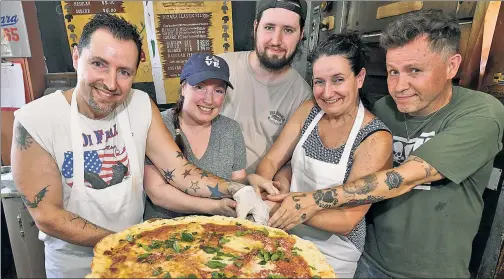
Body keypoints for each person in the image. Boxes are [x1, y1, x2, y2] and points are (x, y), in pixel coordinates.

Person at [11, 13, 269, 278]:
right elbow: (48, 215)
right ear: (77, 57)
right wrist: (126, 243)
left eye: (124, 72)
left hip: (138, 257)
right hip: (75, 263)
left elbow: (179, 171)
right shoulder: (35, 121)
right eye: (99, 64)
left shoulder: (141, 106)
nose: (111, 83)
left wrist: (238, 190)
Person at [265, 9, 504, 278]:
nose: (399, 86)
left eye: (414, 70)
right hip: (366, 259)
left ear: (452, 65)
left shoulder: (481, 113)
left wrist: (310, 202)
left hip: (431, 271)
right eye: (392, 72)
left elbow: (405, 178)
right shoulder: (385, 108)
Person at [250, 31, 392, 277]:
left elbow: (348, 220)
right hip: (285, 230)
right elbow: (274, 160)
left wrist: (285, 205)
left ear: (359, 78)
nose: (327, 93)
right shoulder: (309, 111)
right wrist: (267, 185)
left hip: (335, 250)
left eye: (338, 80)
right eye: (319, 82)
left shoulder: (374, 137)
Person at [143, 53, 248, 220]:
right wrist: (216, 207)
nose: (209, 99)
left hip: (218, 230)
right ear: (183, 87)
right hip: (164, 228)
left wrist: (253, 183)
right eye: (200, 87)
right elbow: (157, 192)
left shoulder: (231, 129)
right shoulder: (159, 125)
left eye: (218, 90)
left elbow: (239, 181)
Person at [218, 0, 312, 174]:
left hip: (257, 191)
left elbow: (290, 161)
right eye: (269, 27)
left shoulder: (303, 97)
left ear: (301, 34)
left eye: (288, 30)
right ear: (255, 27)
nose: (276, 41)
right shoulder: (221, 67)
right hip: (203, 184)